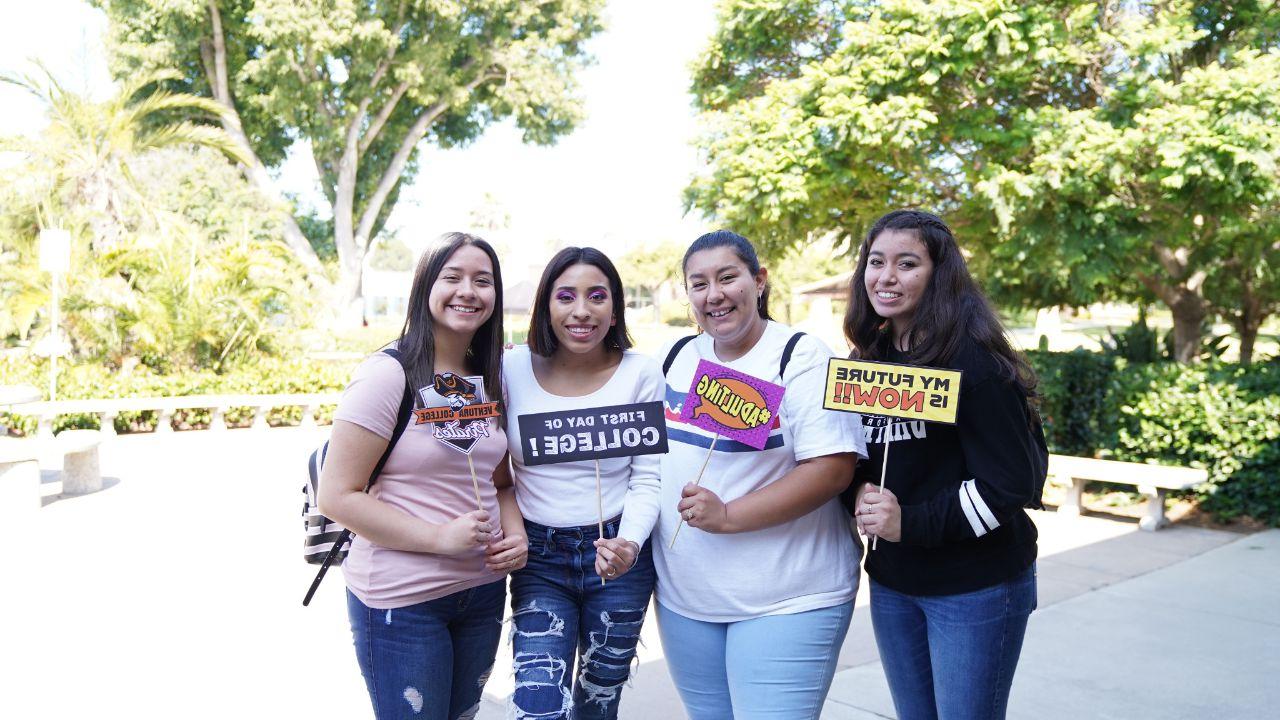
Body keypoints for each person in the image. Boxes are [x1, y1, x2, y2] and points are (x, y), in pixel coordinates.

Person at [652, 230, 867, 720]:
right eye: (699, 283)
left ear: (759, 280)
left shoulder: (802, 356)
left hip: (787, 599)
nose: (715, 294)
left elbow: (832, 469)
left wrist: (728, 515)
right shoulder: (676, 356)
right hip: (687, 602)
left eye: (728, 277)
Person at [318, 232, 528, 720]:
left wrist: (514, 534)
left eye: (482, 280)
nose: (468, 291)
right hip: (402, 602)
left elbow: (500, 483)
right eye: (451, 277)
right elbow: (337, 494)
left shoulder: (492, 375)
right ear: (425, 286)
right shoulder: (387, 374)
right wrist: (438, 538)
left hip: (480, 593)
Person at [845, 209, 1046, 720]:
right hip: (893, 582)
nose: (886, 277)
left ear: (939, 274)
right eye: (876, 262)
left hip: (975, 586)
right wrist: (859, 494)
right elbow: (864, 457)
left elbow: (1010, 485)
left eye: (907, 263)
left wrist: (910, 522)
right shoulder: (869, 359)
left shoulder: (974, 363)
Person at [502, 247, 664, 720]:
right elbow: (493, 467)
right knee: (538, 706)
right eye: (565, 296)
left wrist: (629, 543)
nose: (581, 311)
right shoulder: (509, 368)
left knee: (597, 702)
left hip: (618, 553)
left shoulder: (641, 371)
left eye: (597, 296)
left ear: (615, 308)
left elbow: (648, 476)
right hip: (539, 557)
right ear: (545, 306)